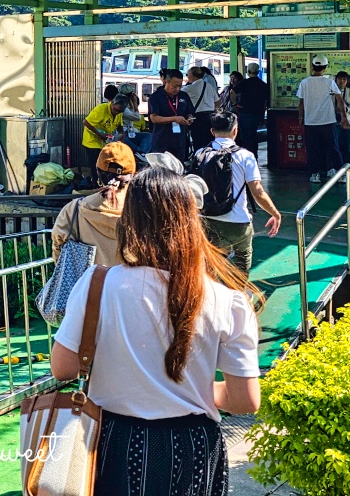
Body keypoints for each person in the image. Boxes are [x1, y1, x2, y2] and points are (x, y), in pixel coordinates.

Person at [50, 167, 261, 496]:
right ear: (192, 220)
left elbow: (62, 368)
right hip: (193, 447)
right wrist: (202, 391)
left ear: (129, 220)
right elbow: (245, 401)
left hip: (111, 439)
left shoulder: (95, 283)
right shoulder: (229, 301)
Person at [194, 112, 282, 278]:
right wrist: (274, 213)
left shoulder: (200, 153)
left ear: (212, 131)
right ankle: (239, 294)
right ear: (235, 130)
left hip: (207, 219)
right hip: (238, 222)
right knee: (242, 262)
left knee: (210, 265)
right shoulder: (245, 156)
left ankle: (211, 298)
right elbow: (258, 192)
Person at [51, 142, 135, 268]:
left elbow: (58, 248)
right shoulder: (142, 214)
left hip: (87, 285)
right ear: (133, 175)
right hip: (129, 286)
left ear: (97, 172)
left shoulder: (74, 209)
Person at [296, 55, 345, 185]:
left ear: (313, 67)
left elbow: (301, 102)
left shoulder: (304, 82)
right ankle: (341, 174)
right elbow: (340, 101)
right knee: (333, 148)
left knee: (313, 149)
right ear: (325, 68)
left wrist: (301, 117)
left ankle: (314, 174)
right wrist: (344, 117)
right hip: (328, 121)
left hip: (310, 122)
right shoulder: (329, 82)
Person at [148, 68, 195, 160]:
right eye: (174, 86)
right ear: (166, 82)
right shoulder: (155, 97)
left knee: (178, 168)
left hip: (180, 141)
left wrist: (189, 119)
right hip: (162, 140)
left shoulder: (184, 96)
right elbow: (154, 118)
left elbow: (189, 113)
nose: (177, 89)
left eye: (180, 86)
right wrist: (174, 119)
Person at [83, 95, 126, 171]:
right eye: (115, 109)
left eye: (119, 111)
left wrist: (122, 133)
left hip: (104, 141)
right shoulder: (101, 109)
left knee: (105, 165)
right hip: (92, 141)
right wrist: (99, 135)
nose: (116, 112)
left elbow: (119, 125)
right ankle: (96, 182)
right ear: (112, 103)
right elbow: (86, 122)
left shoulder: (119, 113)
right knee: (96, 166)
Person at [234, 62, 269, 155]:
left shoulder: (244, 82)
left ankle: (246, 156)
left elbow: (232, 92)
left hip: (245, 113)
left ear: (248, 71)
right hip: (258, 113)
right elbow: (266, 101)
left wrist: (235, 104)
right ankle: (254, 155)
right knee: (253, 135)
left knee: (245, 136)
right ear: (258, 71)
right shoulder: (263, 84)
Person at [183, 66, 219, 151]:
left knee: (198, 143)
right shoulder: (209, 86)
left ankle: (199, 161)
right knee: (210, 142)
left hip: (198, 118)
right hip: (211, 117)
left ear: (192, 75)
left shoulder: (189, 88)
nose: (187, 76)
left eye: (187, 74)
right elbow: (218, 101)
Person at [334, 71, 350, 168]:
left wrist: (346, 109)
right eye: (339, 79)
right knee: (335, 147)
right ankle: (336, 169)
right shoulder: (332, 92)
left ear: (347, 81)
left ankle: (349, 169)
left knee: (348, 148)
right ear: (336, 80)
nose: (341, 81)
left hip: (348, 122)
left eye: (344, 79)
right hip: (334, 122)